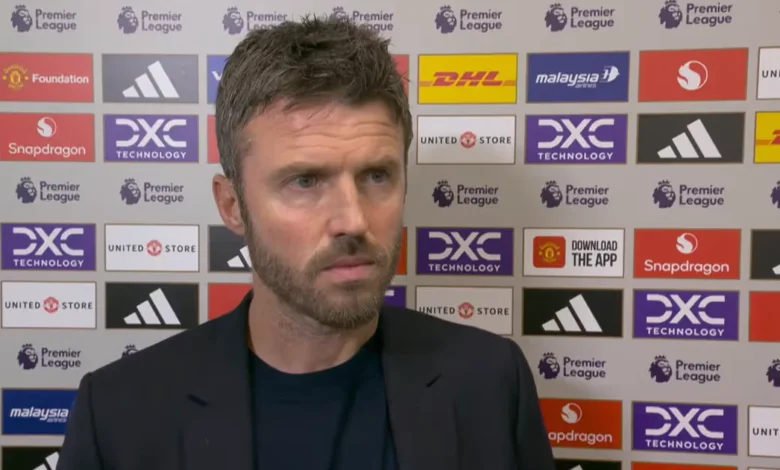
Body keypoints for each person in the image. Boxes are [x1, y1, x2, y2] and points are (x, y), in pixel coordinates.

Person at [57, 15, 555, 470]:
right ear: (232, 205)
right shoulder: (119, 415)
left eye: (377, 175)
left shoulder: (491, 383)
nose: (353, 220)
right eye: (305, 181)